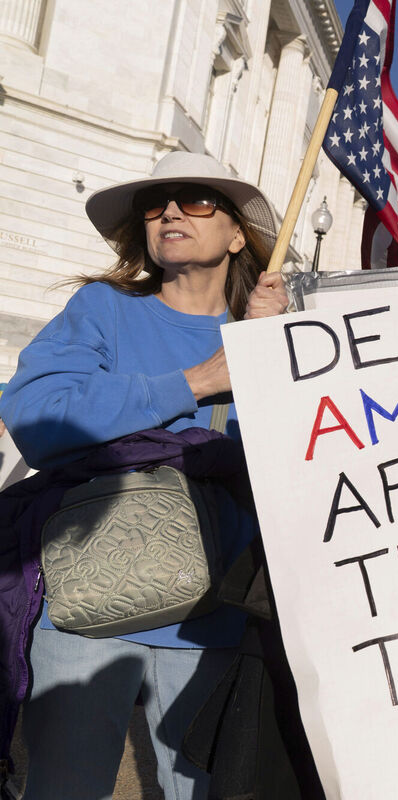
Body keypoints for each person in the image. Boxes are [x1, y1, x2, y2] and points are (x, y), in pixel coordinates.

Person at [0, 151, 288, 799]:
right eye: (155, 204)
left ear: (239, 232)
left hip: (219, 622)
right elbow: (36, 414)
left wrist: (272, 345)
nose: (171, 212)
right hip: (85, 613)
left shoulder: (279, 330)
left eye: (196, 199)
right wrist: (202, 379)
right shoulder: (103, 309)